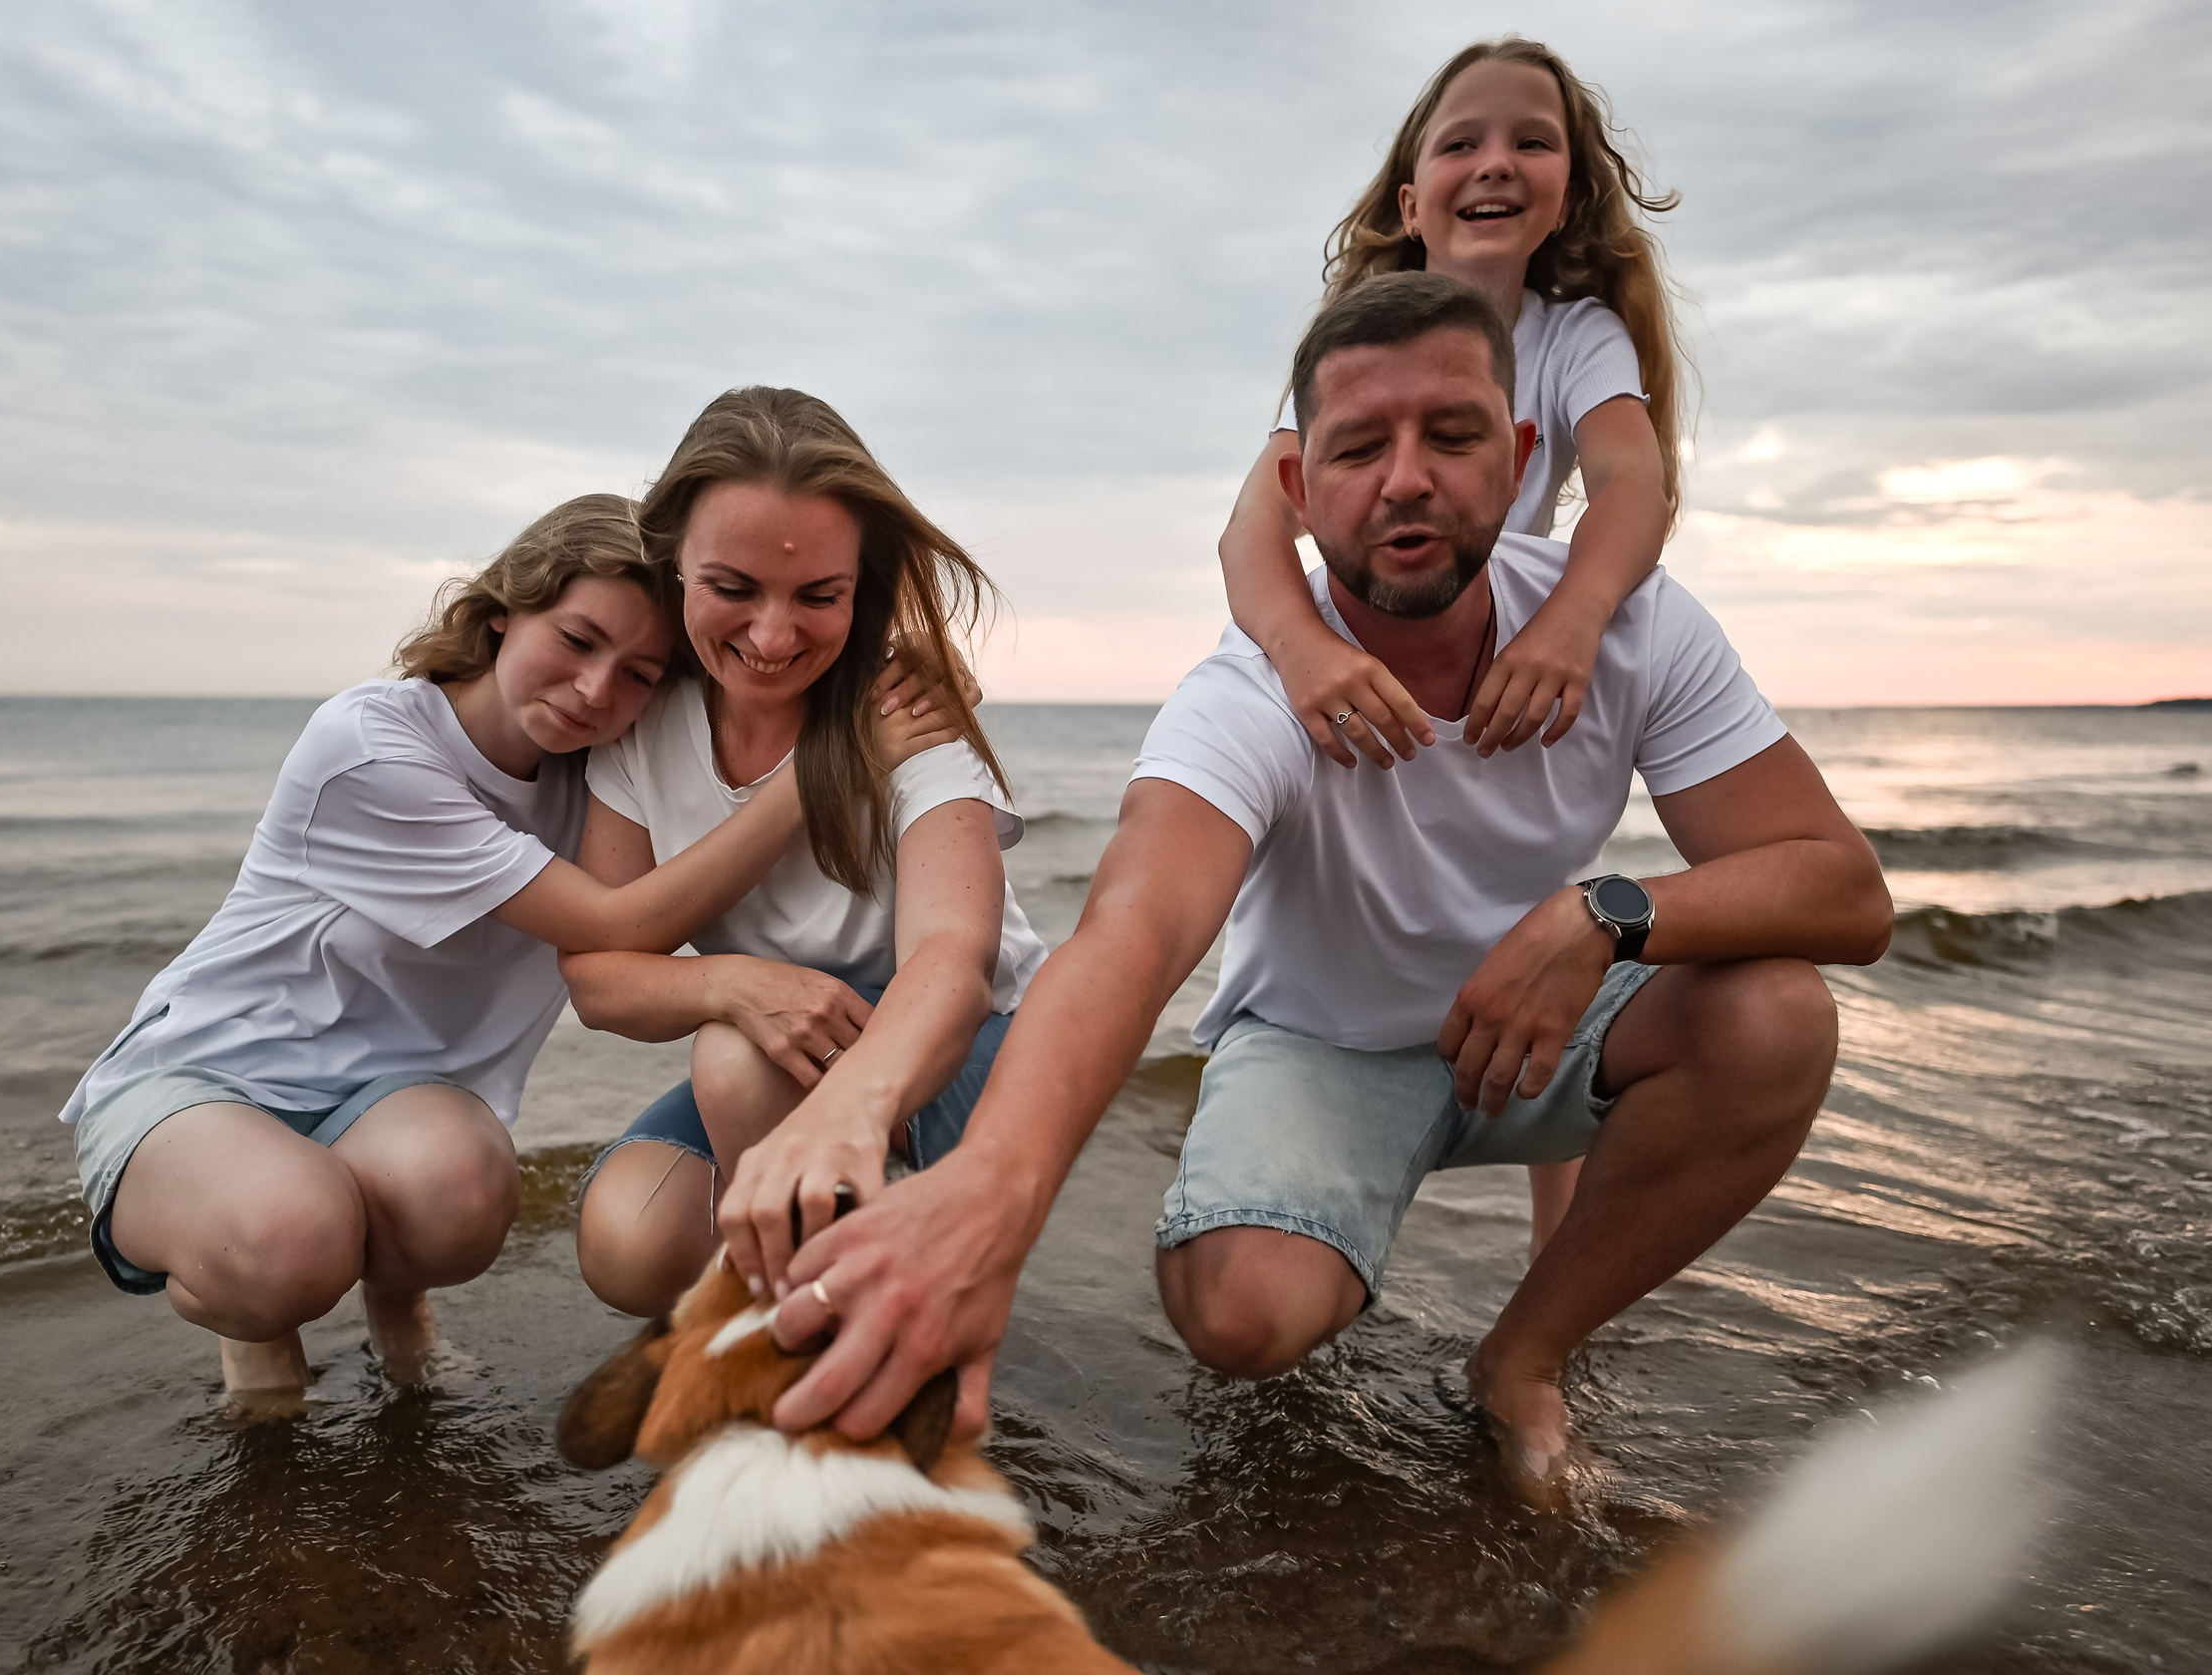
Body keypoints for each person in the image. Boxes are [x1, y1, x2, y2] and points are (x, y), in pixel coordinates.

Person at [760, 275, 1894, 1506]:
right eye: (1358, 449)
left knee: (1775, 1015)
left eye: (1450, 436)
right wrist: (994, 1190)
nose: (1406, 480)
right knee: (1240, 1315)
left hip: (1540, 1030)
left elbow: (1843, 890)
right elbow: (1136, 931)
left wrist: (1603, 915)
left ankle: (1522, 1357)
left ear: (1519, 460)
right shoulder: (1251, 692)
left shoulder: (1631, 630)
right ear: (1298, 493)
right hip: (1323, 1045)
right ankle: (1309, 1214)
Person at [61, 495, 958, 1398]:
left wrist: (898, 668)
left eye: (639, 673)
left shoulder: (596, 768)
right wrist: (832, 768)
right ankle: (253, 1330)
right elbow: (617, 924)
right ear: (501, 612)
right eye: (576, 640)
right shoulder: (373, 748)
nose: (596, 690)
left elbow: (753, 683)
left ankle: (397, 1312)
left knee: (464, 1192)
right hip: (205, 1082)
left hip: (389, 1104)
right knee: (289, 1239)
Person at [1221, 37, 1691, 1253]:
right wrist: (1304, 655)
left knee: (1538, 927)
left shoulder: (1574, 333)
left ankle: (1551, 1274)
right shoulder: (1354, 338)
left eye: (1531, 141)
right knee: (1339, 932)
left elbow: (1633, 486)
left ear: (1570, 193)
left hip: (1509, 674)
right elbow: (1250, 532)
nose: (1494, 163)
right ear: (1407, 198)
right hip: (1371, 648)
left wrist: (1571, 623)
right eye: (1460, 143)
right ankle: (1292, 1173)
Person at [562, 388, 1047, 1320]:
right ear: (673, 563)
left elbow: (954, 959)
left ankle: (831, 1327)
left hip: (966, 1042)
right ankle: (800, 1307)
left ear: (861, 586)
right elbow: (599, 980)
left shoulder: (903, 706)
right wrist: (735, 984)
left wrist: (851, 1110)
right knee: (631, 1241)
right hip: (780, 1054)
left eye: (819, 596)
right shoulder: (637, 718)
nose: (773, 637)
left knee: (738, 1067)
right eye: (732, 588)